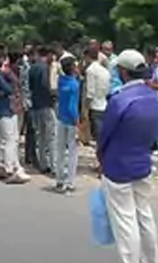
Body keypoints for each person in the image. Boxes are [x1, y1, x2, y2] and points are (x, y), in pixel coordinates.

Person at [97, 49, 158, 263]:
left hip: (119, 166)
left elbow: (105, 135)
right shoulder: (152, 97)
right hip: (142, 164)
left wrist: (100, 157)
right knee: (144, 215)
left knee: (125, 220)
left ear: (122, 72)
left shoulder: (120, 99)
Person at [0, 49, 30, 184]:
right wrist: (9, 76)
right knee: (11, 139)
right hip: (3, 109)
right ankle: (9, 168)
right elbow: (10, 89)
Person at [54, 55, 80, 192]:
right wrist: (77, 121)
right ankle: (70, 181)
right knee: (72, 152)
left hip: (61, 117)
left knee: (60, 150)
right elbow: (72, 106)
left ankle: (59, 179)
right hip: (71, 120)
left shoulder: (61, 81)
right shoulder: (74, 85)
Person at [28, 45, 55, 174]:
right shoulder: (45, 68)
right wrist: (52, 95)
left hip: (35, 104)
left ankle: (42, 163)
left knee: (40, 135)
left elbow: (31, 86)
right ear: (47, 55)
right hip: (46, 104)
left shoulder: (32, 68)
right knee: (50, 135)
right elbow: (45, 84)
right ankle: (53, 164)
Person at [85, 48, 111, 143]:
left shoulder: (90, 70)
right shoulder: (105, 71)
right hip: (104, 103)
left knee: (97, 133)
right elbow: (108, 89)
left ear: (87, 57)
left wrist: (85, 108)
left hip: (95, 105)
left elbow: (90, 92)